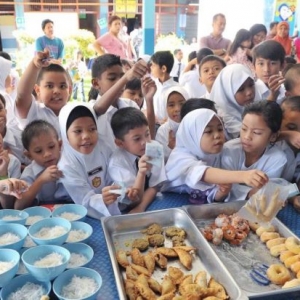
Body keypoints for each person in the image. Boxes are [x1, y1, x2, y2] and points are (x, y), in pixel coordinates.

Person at [163, 109, 268, 204]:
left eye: (220, 129)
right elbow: (203, 173)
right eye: (208, 131)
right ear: (193, 135)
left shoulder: (214, 156)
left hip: (194, 203)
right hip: (168, 201)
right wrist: (244, 176)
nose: (217, 135)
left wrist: (221, 193)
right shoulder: (180, 157)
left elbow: (212, 192)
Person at [58, 103, 121, 219]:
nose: (86, 136)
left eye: (92, 129)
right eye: (78, 131)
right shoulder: (65, 166)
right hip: (77, 213)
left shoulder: (104, 147)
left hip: (110, 205)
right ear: (65, 134)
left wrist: (117, 188)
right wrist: (102, 199)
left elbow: (115, 173)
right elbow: (83, 199)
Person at [221, 100, 287, 201]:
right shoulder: (229, 151)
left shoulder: (278, 158)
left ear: (273, 136)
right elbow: (225, 185)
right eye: (244, 129)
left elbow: (266, 189)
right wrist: (249, 193)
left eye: (256, 132)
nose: (247, 137)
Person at [109, 107, 166, 213]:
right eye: (137, 139)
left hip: (150, 201)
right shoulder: (117, 162)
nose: (145, 142)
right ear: (120, 143)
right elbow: (133, 198)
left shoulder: (155, 148)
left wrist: (141, 207)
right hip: (126, 208)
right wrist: (141, 173)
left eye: (147, 134)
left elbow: (155, 185)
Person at [91, 54, 155, 147]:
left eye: (121, 77)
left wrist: (149, 100)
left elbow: (149, 139)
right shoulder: (90, 109)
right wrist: (125, 78)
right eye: (112, 78)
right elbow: (98, 108)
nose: (119, 82)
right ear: (96, 83)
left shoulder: (130, 105)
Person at [15, 49, 71, 136]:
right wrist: (34, 65)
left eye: (62, 86)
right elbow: (22, 94)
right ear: (37, 90)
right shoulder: (34, 112)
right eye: (49, 86)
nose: (56, 91)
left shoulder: (74, 113)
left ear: (69, 90)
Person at [16, 120, 69, 209]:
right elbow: (18, 206)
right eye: (38, 151)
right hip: (43, 216)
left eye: (51, 146)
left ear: (59, 145)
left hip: (73, 211)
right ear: (29, 155)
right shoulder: (30, 173)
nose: (47, 154)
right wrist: (40, 181)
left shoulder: (70, 163)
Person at [210, 64, 257, 139]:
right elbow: (249, 138)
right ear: (228, 92)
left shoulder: (255, 102)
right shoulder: (223, 114)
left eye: (251, 85)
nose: (249, 92)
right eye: (241, 89)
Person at [155, 86, 189, 161]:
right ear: (165, 107)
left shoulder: (193, 126)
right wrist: (172, 149)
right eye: (171, 105)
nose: (177, 109)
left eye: (182, 104)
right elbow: (159, 162)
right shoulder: (162, 131)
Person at [279, 96, 300, 212]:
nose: (298, 134)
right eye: (291, 128)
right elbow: (270, 183)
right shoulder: (271, 148)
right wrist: (293, 198)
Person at [150, 51, 181, 123]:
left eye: (153, 65)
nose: (151, 68)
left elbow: (181, 111)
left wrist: (170, 121)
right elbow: (145, 108)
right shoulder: (151, 86)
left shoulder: (177, 89)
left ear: (163, 68)